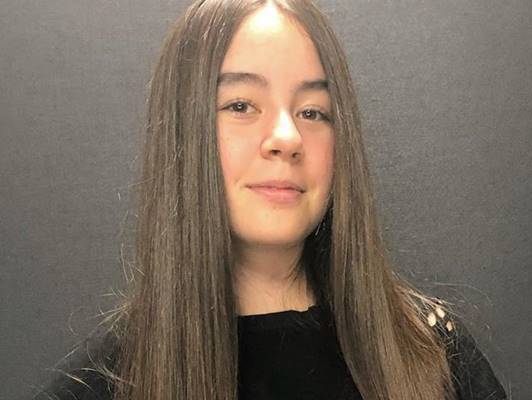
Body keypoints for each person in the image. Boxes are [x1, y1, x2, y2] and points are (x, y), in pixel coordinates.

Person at [34, 1, 507, 399]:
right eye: (241, 105)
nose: (287, 136)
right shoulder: (107, 383)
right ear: (183, 131)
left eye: (313, 112)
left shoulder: (432, 352)